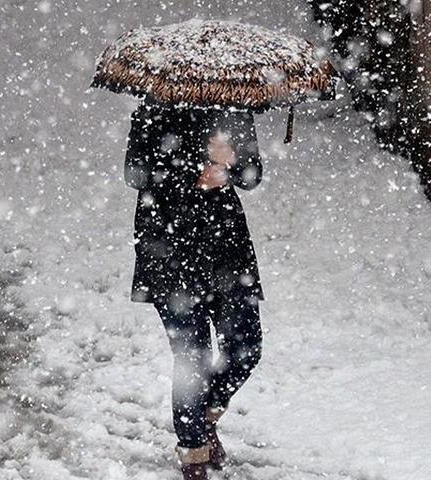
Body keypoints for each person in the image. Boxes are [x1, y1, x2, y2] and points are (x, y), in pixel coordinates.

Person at [124, 98, 264, 480]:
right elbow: (136, 173)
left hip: (226, 249)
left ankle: (204, 417)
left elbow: (252, 174)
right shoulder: (155, 106)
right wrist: (195, 169)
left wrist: (231, 162)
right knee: (193, 359)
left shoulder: (233, 104)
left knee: (246, 347)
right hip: (169, 249)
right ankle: (193, 454)